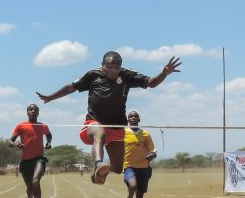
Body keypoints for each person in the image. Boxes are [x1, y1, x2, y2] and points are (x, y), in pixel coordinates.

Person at [36, 51, 181, 184]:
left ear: (120, 67)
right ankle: (98, 163)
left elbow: (151, 83)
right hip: (93, 124)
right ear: (102, 65)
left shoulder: (127, 75)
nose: (113, 70)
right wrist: (50, 97)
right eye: (109, 67)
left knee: (118, 168)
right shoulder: (93, 75)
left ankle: (97, 174)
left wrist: (164, 73)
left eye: (116, 67)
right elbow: (70, 88)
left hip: (117, 127)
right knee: (100, 132)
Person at [9, 104, 52, 198]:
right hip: (25, 161)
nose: (33, 111)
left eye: (35, 110)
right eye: (30, 110)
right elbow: (10, 141)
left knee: (35, 182)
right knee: (29, 188)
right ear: (27, 112)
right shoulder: (21, 126)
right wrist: (16, 144)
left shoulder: (43, 126)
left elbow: (49, 135)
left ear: (38, 112)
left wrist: (48, 143)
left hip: (39, 159)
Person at [122, 110, 156, 198]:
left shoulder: (145, 134)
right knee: (133, 186)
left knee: (140, 196)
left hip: (143, 167)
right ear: (128, 120)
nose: (133, 118)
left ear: (139, 120)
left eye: (135, 116)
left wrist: (152, 155)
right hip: (129, 166)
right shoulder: (123, 133)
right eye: (130, 116)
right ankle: (129, 197)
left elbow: (152, 150)